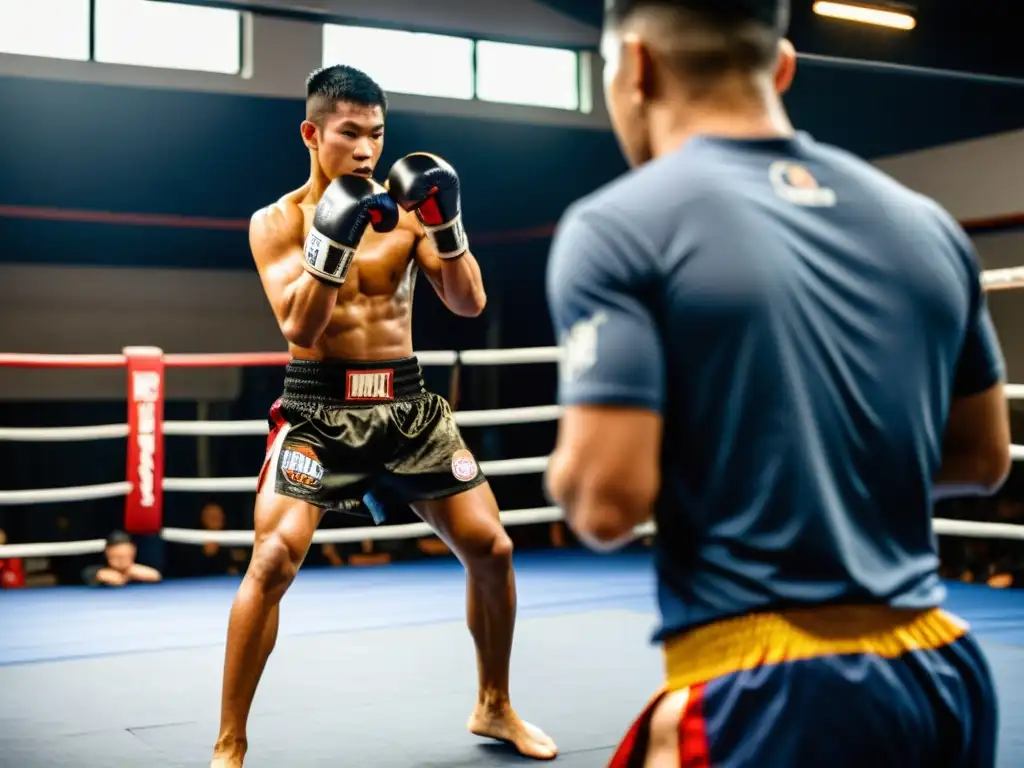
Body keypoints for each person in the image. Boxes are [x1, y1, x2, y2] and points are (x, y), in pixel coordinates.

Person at [544, 1, 1010, 765]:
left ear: (636, 66)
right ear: (783, 65)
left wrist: (579, 465)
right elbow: (983, 459)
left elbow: (604, 502)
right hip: (943, 672)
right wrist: (822, 471)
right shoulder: (928, 225)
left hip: (769, 688)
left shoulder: (620, 226)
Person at [210, 65, 556, 767]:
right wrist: (332, 242)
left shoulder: (407, 213)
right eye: (350, 133)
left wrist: (446, 224)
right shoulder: (277, 222)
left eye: (377, 134)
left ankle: (494, 704)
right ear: (312, 134)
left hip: (406, 404)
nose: (367, 150)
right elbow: (302, 328)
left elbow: (468, 304)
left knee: (492, 549)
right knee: (273, 559)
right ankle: (230, 743)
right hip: (319, 408)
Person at [87, 530, 163, 587]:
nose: (121, 561)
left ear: (133, 551)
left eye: (125, 556)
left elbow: (155, 575)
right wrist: (98, 576)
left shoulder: (143, 566)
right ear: (107, 553)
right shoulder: (97, 571)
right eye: (116, 557)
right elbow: (88, 574)